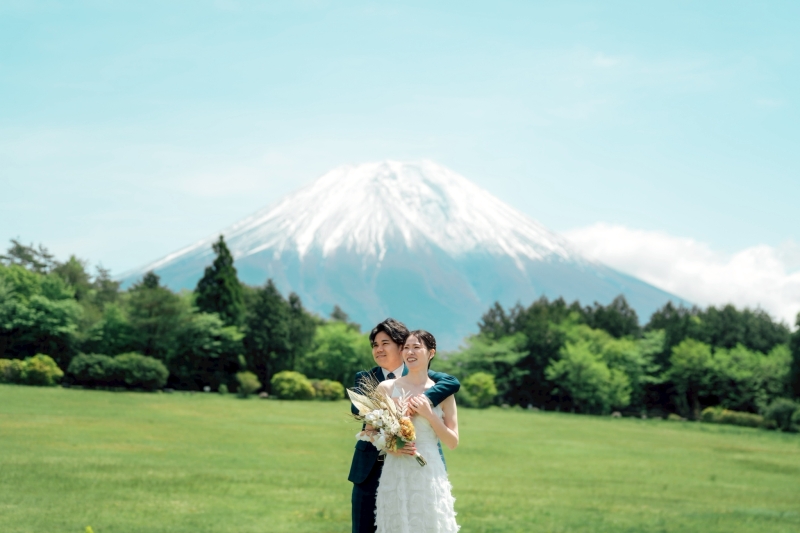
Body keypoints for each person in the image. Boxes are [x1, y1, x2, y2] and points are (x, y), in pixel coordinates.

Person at [349, 319, 460, 533]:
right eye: (374, 345)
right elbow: (359, 411)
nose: (378, 349)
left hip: (421, 464)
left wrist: (423, 402)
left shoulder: (430, 378)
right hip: (370, 468)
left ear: (401, 347)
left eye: (385, 343)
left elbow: (452, 383)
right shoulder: (368, 379)